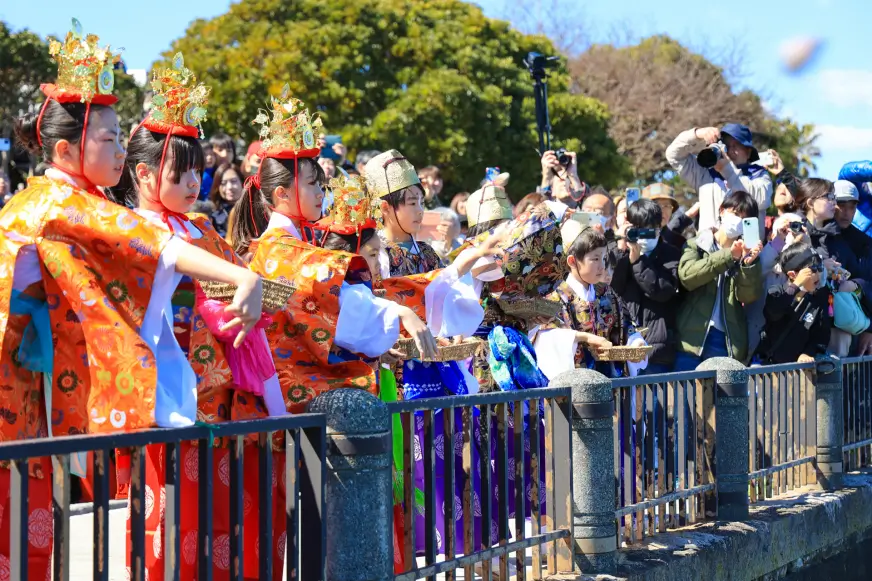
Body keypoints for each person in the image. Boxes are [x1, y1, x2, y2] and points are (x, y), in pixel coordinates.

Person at [0, 24, 262, 577]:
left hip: (34, 391)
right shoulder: (55, 204)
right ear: (67, 149)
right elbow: (152, 246)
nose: (119, 150)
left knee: (33, 535)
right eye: (109, 139)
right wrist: (242, 282)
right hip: (16, 392)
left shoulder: (78, 203)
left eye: (122, 138)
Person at [110, 55, 284, 579]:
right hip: (172, 392)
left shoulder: (203, 229)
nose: (193, 182)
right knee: (173, 524)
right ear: (143, 174)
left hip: (230, 397)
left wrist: (263, 302)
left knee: (236, 526)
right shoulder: (130, 230)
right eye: (179, 172)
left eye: (198, 171)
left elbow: (246, 292)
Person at [674, 191, 763, 370]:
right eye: (736, 214)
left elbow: (748, 296)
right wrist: (728, 256)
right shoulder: (697, 244)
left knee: (719, 397)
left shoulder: (747, 253)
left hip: (725, 341)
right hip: (690, 339)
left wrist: (748, 265)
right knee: (683, 396)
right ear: (722, 211)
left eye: (745, 219)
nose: (738, 221)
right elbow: (687, 277)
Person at [532, 224, 620, 378]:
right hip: (572, 383)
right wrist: (584, 337)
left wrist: (635, 341)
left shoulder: (605, 291)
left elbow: (623, 326)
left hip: (607, 379)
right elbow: (545, 338)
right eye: (595, 259)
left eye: (604, 258)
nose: (602, 266)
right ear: (572, 261)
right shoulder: (555, 296)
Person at [610, 199, 682, 374]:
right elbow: (612, 289)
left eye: (649, 231)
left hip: (656, 349)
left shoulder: (672, 254)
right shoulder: (617, 251)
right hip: (622, 346)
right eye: (638, 230)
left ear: (659, 228)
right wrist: (620, 250)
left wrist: (638, 262)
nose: (644, 237)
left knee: (654, 401)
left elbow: (662, 291)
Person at [666, 123, 772, 238]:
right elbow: (673, 155)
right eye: (726, 145)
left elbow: (761, 199)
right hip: (709, 251)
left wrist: (727, 169)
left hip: (747, 251)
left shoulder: (758, 174)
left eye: (736, 145)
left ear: (748, 152)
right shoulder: (705, 172)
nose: (730, 151)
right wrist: (697, 133)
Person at [368, 151, 446, 274]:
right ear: (385, 208)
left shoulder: (427, 252)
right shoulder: (373, 253)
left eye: (422, 203)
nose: (420, 210)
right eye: (412, 203)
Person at [757, 244, 831, 364]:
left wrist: (808, 353)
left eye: (819, 268)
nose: (818, 274)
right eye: (812, 270)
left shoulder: (816, 300)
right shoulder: (776, 292)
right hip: (771, 370)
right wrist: (795, 286)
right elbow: (774, 313)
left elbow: (821, 336)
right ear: (793, 275)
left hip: (800, 372)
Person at [206, 163, 244, 237]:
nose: (229, 187)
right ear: (217, 187)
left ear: (242, 182)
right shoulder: (211, 215)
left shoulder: (254, 209)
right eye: (223, 183)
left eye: (233, 181)